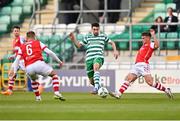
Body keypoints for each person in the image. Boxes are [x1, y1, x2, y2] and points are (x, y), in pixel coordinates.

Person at [110, 29, 173, 99]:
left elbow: (157, 45)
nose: (142, 39)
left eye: (143, 38)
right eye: (142, 38)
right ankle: (119, 94)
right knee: (128, 78)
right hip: (137, 65)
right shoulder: (143, 45)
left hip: (143, 65)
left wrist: (153, 35)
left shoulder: (151, 44)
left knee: (150, 83)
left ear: (148, 38)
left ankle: (167, 90)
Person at [9, 31, 65, 101]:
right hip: (39, 63)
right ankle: (56, 93)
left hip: (29, 67)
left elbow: (17, 59)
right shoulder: (38, 42)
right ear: (34, 37)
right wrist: (59, 61)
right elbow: (49, 52)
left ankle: (38, 98)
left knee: (33, 80)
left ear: (26, 37)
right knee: (54, 75)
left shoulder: (22, 46)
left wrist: (15, 72)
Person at [69, 23, 119, 94]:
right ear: (92, 29)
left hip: (98, 56)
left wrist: (115, 50)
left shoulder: (103, 36)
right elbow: (78, 46)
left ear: (99, 29)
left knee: (96, 68)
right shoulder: (88, 37)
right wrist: (73, 40)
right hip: (89, 59)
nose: (95, 31)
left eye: (97, 29)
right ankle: (102, 89)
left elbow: (112, 43)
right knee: (92, 81)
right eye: (94, 29)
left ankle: (95, 89)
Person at [1, 26, 26, 95]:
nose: (16, 32)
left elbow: (25, 46)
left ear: (19, 31)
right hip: (17, 60)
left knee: (30, 74)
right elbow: (18, 51)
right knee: (11, 73)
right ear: (13, 32)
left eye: (17, 31)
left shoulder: (21, 38)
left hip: (23, 60)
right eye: (15, 31)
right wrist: (13, 56)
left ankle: (39, 85)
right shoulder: (14, 40)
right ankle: (9, 90)